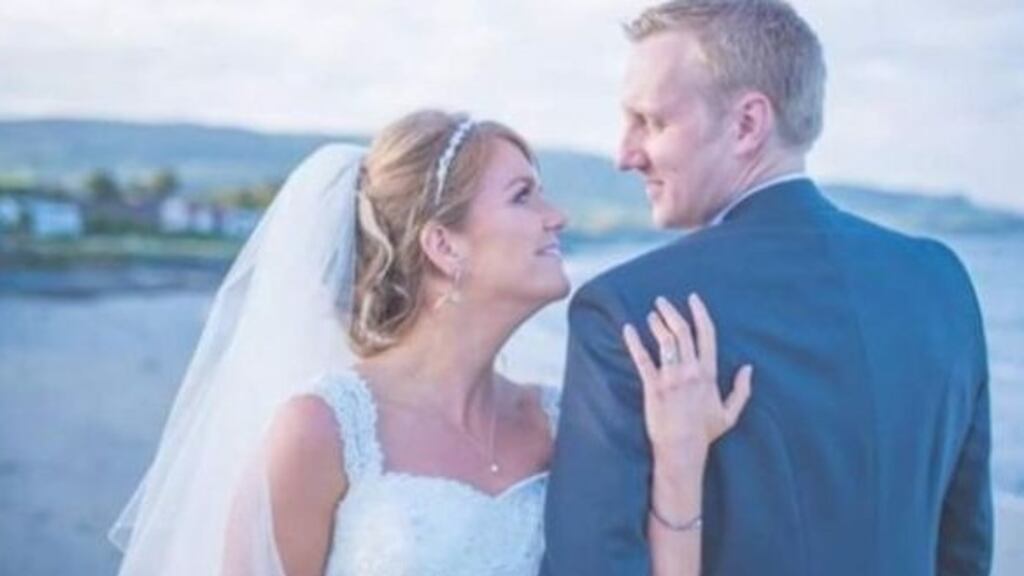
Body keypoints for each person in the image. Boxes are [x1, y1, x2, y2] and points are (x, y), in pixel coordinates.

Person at [109, 109, 752, 576]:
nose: (557, 216)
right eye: (523, 196)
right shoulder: (323, 430)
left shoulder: (561, 422)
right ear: (444, 245)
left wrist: (680, 457)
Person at [542, 1, 993, 575]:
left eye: (650, 122)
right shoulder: (941, 283)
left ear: (747, 124)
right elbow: (964, 551)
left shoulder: (630, 312)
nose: (624, 155)